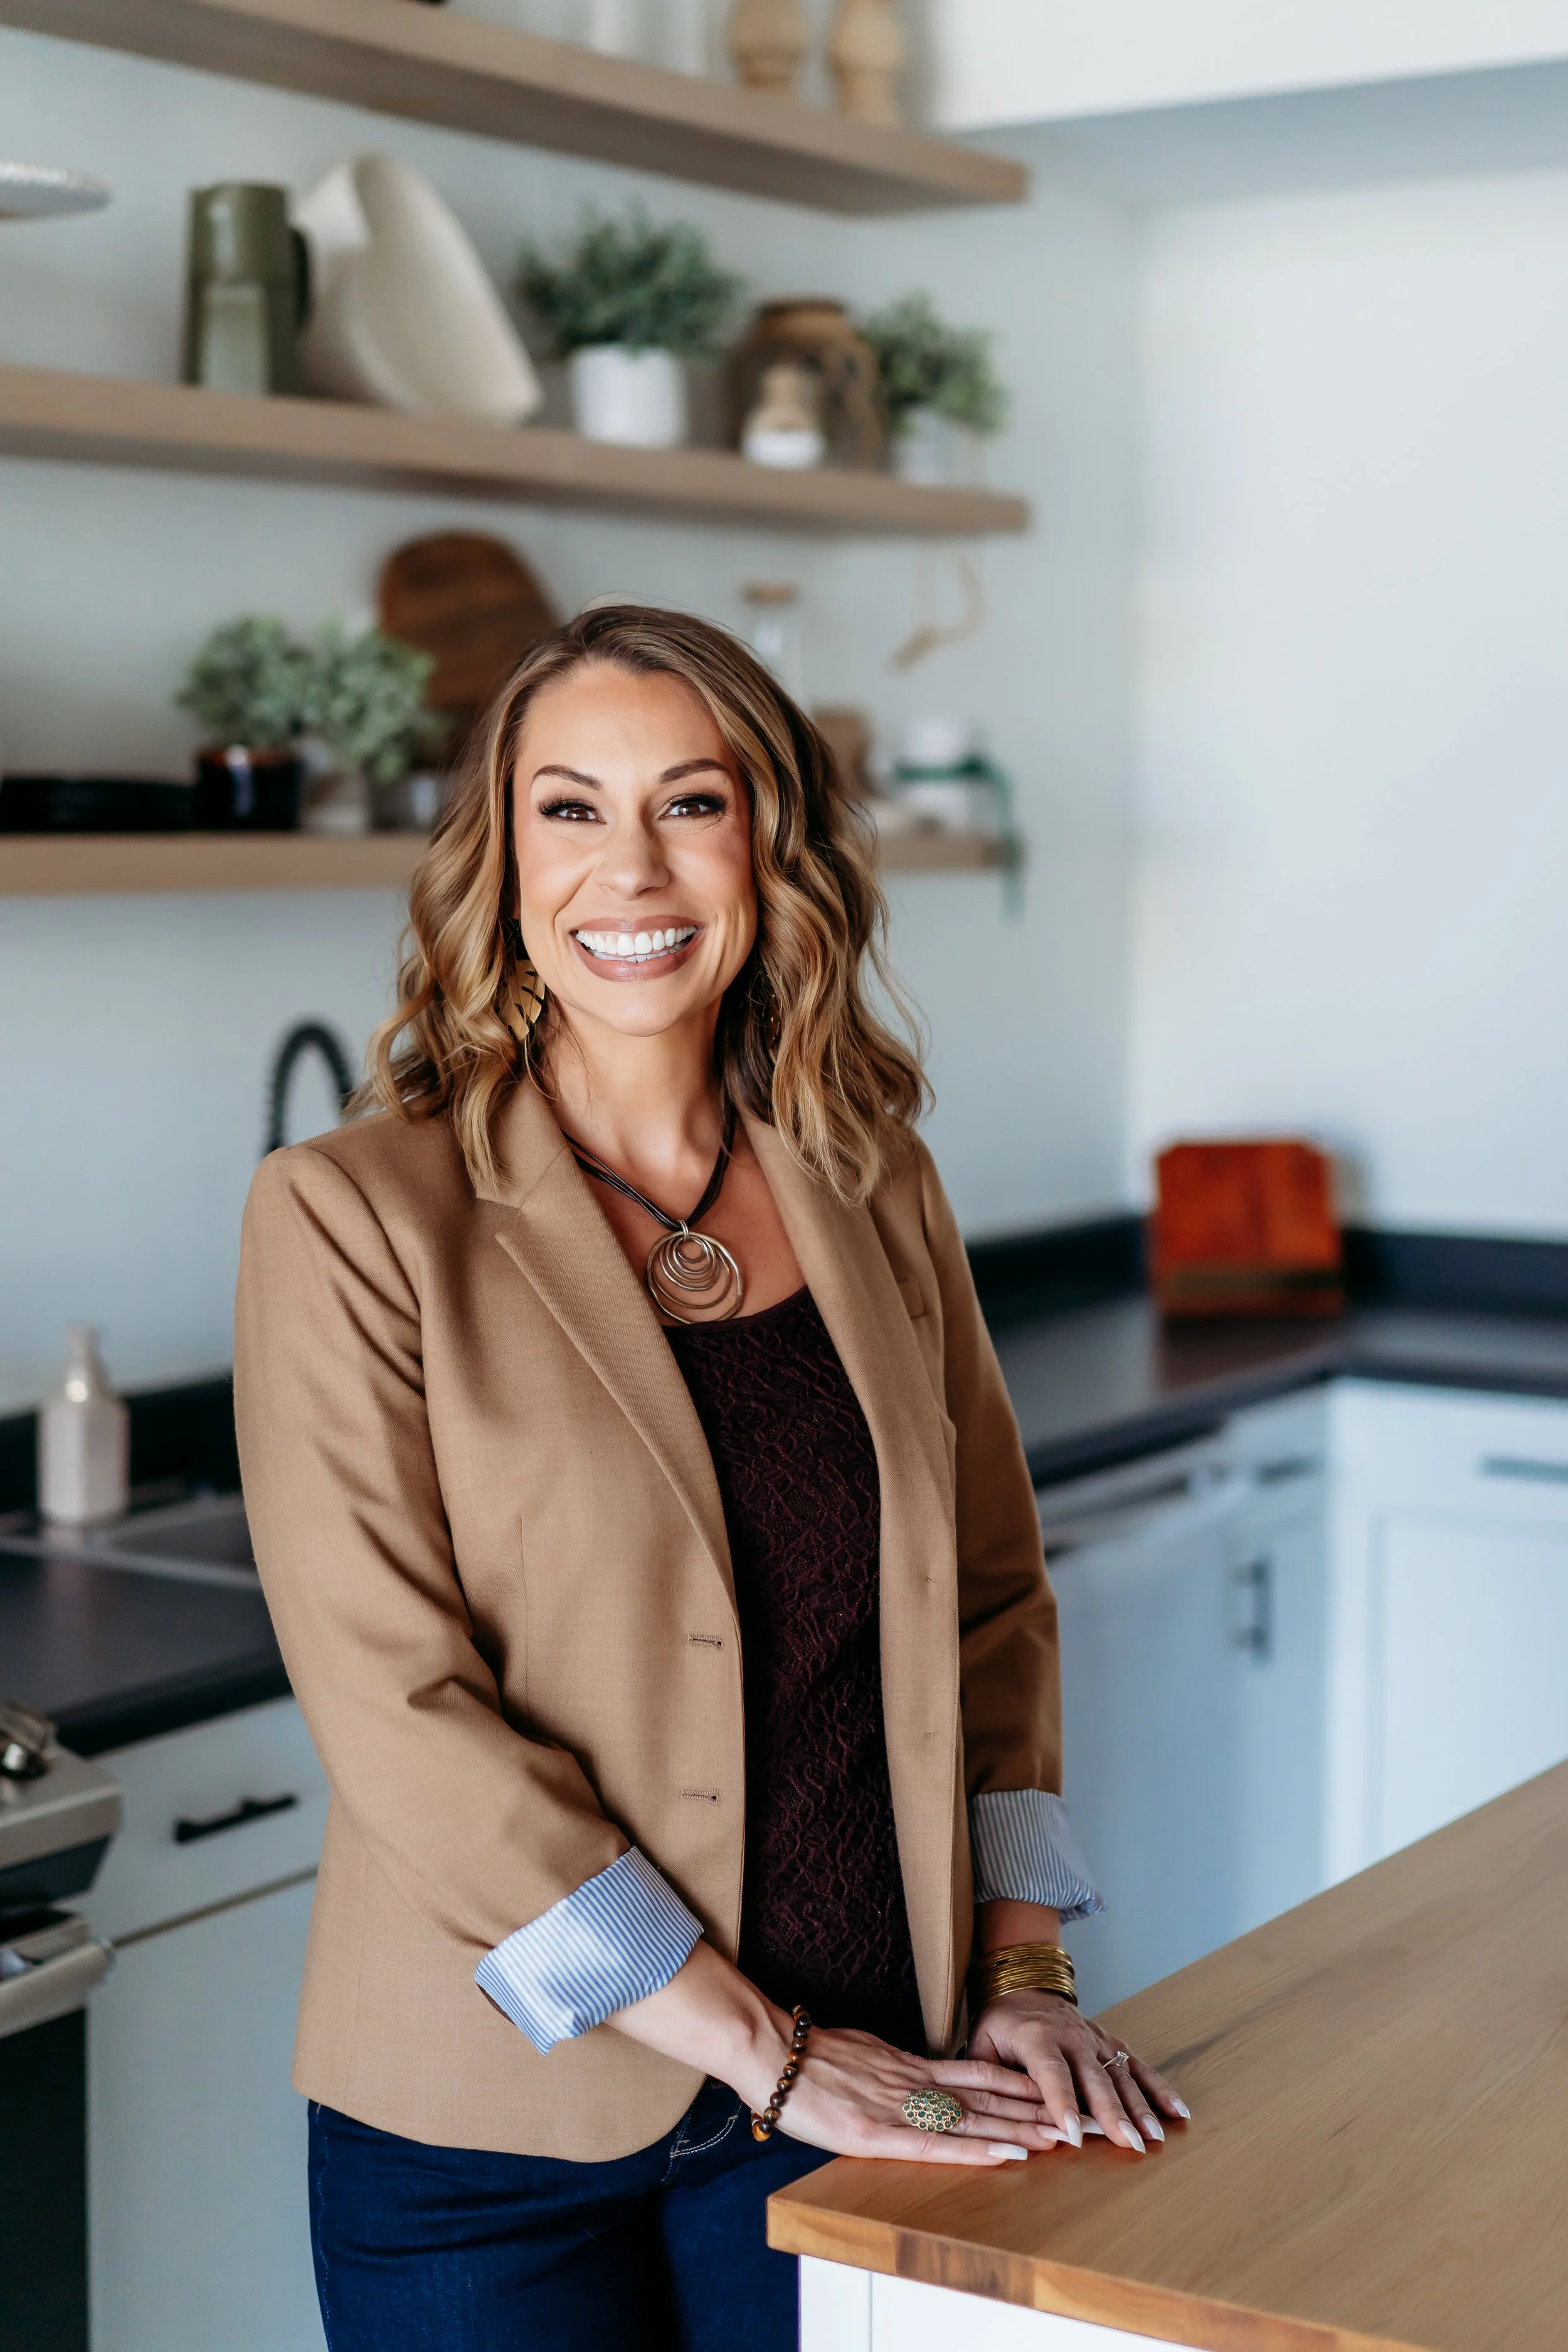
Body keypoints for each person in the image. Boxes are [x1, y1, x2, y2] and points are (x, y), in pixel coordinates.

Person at [235, 605, 1187, 2352]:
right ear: (502, 860)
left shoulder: (873, 1177)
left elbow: (990, 1604)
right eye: (570, 809)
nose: (631, 867)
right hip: (496, 2134)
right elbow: (399, 1709)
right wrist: (772, 2051)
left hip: (862, 2068)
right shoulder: (356, 1214)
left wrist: (1021, 1968)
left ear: (769, 844)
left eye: (691, 800)